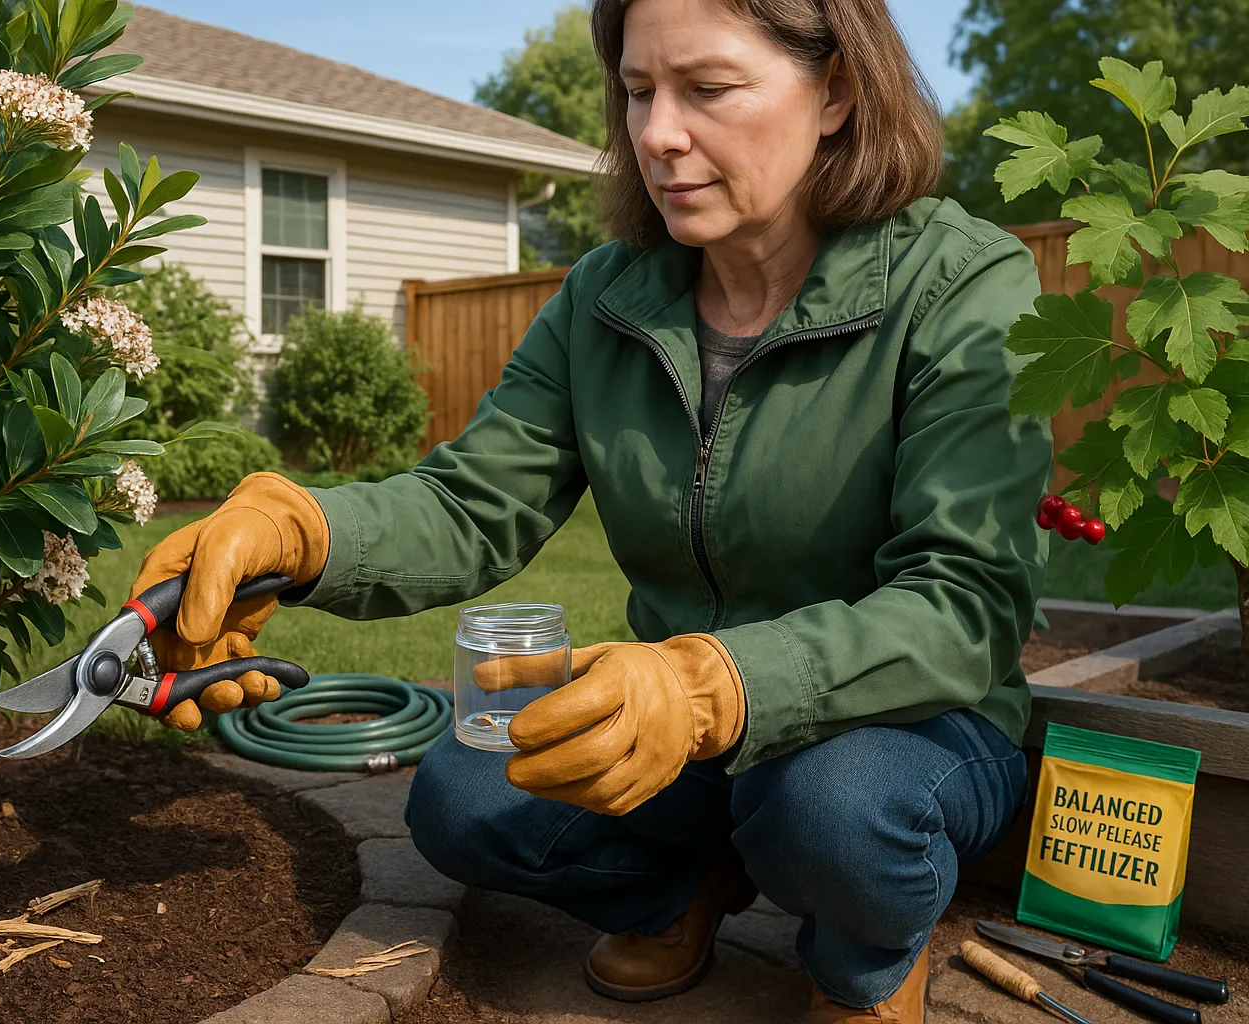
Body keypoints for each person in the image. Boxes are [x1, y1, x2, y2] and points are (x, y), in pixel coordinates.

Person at [128, 0, 1051, 1018]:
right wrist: (301, 535)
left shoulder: (964, 286)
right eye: (640, 89)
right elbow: (472, 505)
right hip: (685, 721)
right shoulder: (609, 298)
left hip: (906, 726)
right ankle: (683, 884)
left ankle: (864, 958)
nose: (657, 134)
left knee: (830, 810)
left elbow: (966, 602)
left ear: (835, 90)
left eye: (706, 89)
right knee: (465, 797)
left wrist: (712, 685)